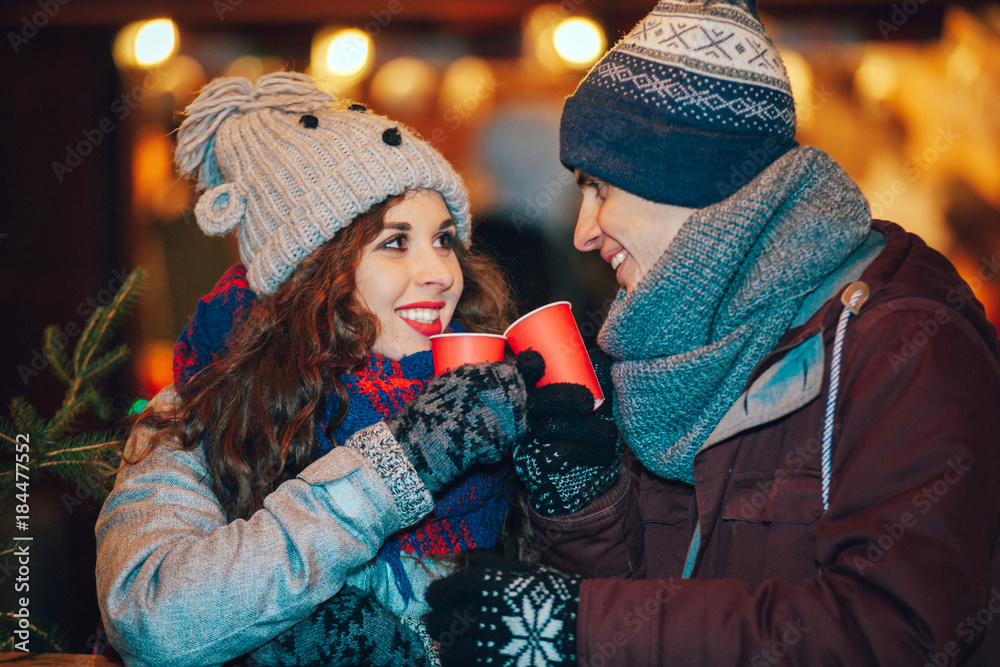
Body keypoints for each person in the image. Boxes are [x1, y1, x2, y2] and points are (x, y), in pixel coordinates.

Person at [425, 1, 1000, 665]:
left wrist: (569, 622)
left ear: (686, 178)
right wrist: (583, 503)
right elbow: (646, 611)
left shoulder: (906, 342)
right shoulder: (672, 350)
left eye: (598, 187)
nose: (583, 231)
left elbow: (895, 631)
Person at [95, 71, 542, 667]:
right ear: (312, 271)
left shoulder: (484, 389)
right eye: (394, 242)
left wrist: (577, 493)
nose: (441, 272)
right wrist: (397, 464)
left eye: (443, 240)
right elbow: (150, 617)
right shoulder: (197, 409)